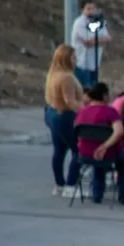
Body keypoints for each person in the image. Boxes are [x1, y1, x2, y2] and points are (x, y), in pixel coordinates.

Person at [74, 82, 124, 204]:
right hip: (108, 153)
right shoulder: (110, 112)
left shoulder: (82, 112)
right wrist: (104, 146)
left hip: (85, 154)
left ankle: (97, 194)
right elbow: (119, 132)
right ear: (104, 96)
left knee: (98, 158)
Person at [45, 44, 85, 197]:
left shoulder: (53, 74)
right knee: (78, 150)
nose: (76, 61)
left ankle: (59, 184)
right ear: (66, 59)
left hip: (52, 113)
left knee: (59, 151)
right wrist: (87, 111)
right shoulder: (67, 77)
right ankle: (70, 184)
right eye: (73, 58)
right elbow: (70, 101)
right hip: (65, 116)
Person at [70, 0, 111, 88]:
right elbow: (87, 41)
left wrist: (95, 40)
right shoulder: (79, 23)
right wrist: (100, 40)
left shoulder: (98, 22)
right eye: (88, 9)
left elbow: (108, 38)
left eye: (93, 9)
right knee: (83, 89)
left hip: (95, 63)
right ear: (82, 10)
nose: (91, 11)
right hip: (82, 63)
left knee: (93, 88)